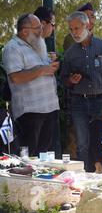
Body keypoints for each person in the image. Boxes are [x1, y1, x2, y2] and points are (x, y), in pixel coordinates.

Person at [61, 11, 102, 171]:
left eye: (77, 28)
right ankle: (85, 177)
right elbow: (64, 80)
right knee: (82, 144)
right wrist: (71, 81)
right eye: (71, 29)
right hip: (80, 102)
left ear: (88, 26)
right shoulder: (70, 53)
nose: (74, 33)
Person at [2, 14, 60, 157]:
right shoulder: (13, 48)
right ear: (25, 31)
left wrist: (51, 66)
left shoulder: (36, 44)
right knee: (29, 155)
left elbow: (42, 70)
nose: (41, 30)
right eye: (37, 27)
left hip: (49, 108)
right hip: (30, 112)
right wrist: (42, 70)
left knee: (44, 156)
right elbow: (15, 77)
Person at [34, 6, 62, 157]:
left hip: (48, 106)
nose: (54, 28)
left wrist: (49, 60)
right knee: (33, 152)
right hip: (34, 108)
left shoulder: (42, 43)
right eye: (53, 24)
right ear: (43, 24)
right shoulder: (26, 43)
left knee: (44, 152)